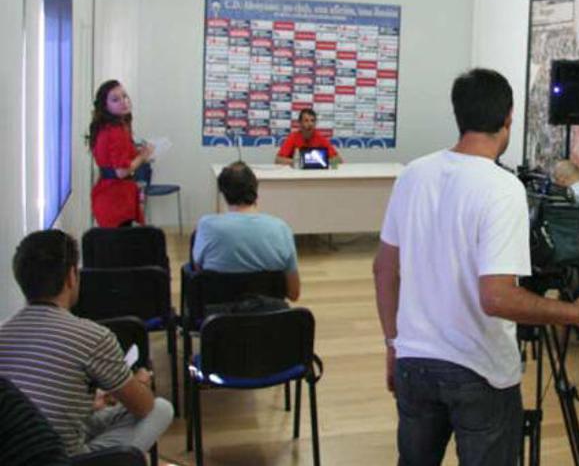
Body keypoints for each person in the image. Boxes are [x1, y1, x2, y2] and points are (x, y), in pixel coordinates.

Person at [373, 68, 579, 466]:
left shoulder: (413, 174)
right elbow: (497, 296)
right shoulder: (502, 188)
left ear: (459, 115)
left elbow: (383, 270)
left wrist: (393, 344)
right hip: (478, 370)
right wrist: (576, 313)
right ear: (508, 119)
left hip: (415, 360)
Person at [0, 230, 173, 457]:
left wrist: (92, 401)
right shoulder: (93, 336)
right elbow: (143, 407)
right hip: (61, 460)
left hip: (11, 455)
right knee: (160, 409)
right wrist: (138, 384)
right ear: (72, 276)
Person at [193, 161, 301, 302]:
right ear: (255, 189)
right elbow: (294, 293)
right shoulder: (281, 228)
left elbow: (199, 272)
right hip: (269, 320)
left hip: (220, 320)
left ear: (223, 192)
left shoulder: (206, 226)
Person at [88, 80, 154, 227]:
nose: (123, 102)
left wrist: (138, 153)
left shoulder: (104, 127)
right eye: (115, 99)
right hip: (117, 199)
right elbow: (121, 172)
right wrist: (143, 156)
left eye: (124, 96)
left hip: (107, 195)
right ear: (105, 105)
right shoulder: (115, 131)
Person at [275, 108, 342, 167]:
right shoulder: (293, 137)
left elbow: (338, 160)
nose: (310, 124)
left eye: (312, 121)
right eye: (306, 121)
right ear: (300, 123)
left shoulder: (320, 138)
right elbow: (278, 160)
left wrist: (318, 161)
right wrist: (299, 162)